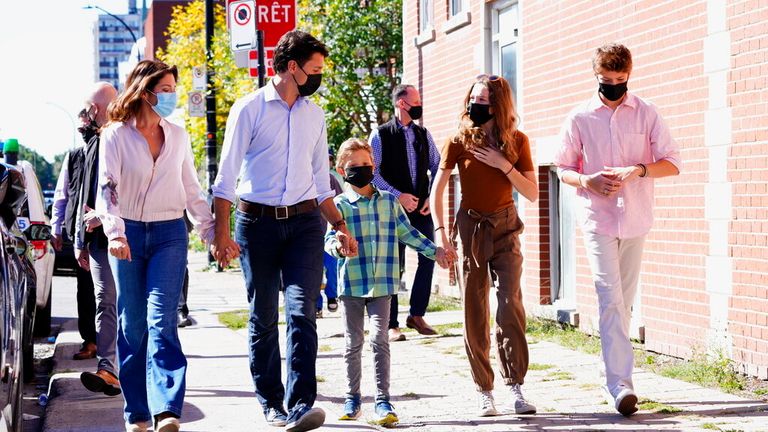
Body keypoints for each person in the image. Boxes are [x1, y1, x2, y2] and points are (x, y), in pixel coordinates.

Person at [211, 31, 357, 432]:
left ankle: (300, 404)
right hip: (255, 224)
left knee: (301, 312)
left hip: (306, 224)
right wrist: (221, 234)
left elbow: (320, 180)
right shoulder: (249, 109)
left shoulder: (315, 115)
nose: (318, 77)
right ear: (292, 67)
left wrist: (340, 225)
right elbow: (225, 178)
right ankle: (271, 402)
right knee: (262, 316)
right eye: (314, 70)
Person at [554, 43, 681, 416]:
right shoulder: (579, 117)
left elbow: (673, 162)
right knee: (609, 297)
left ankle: (608, 370)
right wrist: (588, 181)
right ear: (595, 76)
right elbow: (562, 169)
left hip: (637, 217)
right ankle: (621, 385)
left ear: (629, 75)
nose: (613, 85)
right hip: (598, 219)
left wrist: (638, 169)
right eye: (606, 80)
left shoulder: (647, 113)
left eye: (620, 80)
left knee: (624, 302)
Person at [95, 59, 216, 432]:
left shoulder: (177, 135)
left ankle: (167, 409)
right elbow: (107, 188)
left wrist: (212, 234)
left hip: (169, 233)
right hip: (127, 235)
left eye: (172, 89)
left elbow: (191, 188)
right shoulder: (114, 135)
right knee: (133, 327)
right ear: (145, 91)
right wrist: (115, 233)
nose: (171, 96)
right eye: (164, 89)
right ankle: (137, 414)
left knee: (162, 320)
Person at [430, 74, 539, 417]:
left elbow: (533, 193)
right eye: (472, 99)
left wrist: (503, 164)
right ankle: (484, 389)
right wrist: (440, 232)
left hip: (506, 226)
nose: (475, 106)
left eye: (483, 101)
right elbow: (438, 188)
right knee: (474, 310)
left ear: (499, 106)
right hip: (470, 227)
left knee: (510, 306)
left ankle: (516, 386)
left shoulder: (518, 141)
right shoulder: (458, 140)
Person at [327, 138, 450, 426]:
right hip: (352, 284)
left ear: (374, 166)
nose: (361, 169)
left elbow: (408, 233)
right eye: (354, 166)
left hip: (383, 283)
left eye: (366, 164)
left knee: (379, 339)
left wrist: (436, 251)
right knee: (353, 342)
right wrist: (338, 247)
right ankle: (352, 398)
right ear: (342, 170)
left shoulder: (389, 202)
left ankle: (383, 401)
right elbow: (329, 241)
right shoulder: (339, 205)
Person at [369, 84, 441, 342]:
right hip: (392, 210)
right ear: (401, 104)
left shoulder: (423, 134)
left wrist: (430, 196)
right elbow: (372, 174)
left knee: (429, 255)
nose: (420, 104)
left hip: (421, 209)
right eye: (416, 100)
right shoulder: (380, 135)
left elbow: (438, 165)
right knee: (393, 264)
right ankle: (391, 324)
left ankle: (417, 315)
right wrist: (397, 195)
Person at [67, 82, 122, 396]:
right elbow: (80, 195)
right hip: (98, 240)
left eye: (87, 107)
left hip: (126, 233)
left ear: (97, 109)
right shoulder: (90, 145)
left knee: (125, 305)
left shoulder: (121, 139)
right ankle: (107, 369)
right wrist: (78, 239)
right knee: (106, 302)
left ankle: (124, 367)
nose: (83, 114)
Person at [50, 127, 98, 363]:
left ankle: (111, 342)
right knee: (86, 290)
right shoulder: (75, 156)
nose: (84, 130)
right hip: (81, 232)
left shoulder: (114, 148)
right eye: (81, 127)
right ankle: (90, 341)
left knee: (114, 293)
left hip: (112, 229)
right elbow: (62, 196)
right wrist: (56, 228)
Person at [316, 165, 342, 319]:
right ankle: (316, 305)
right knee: (315, 271)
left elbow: (339, 200)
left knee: (332, 267)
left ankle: (332, 295)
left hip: (329, 232)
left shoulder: (329, 178)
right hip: (310, 234)